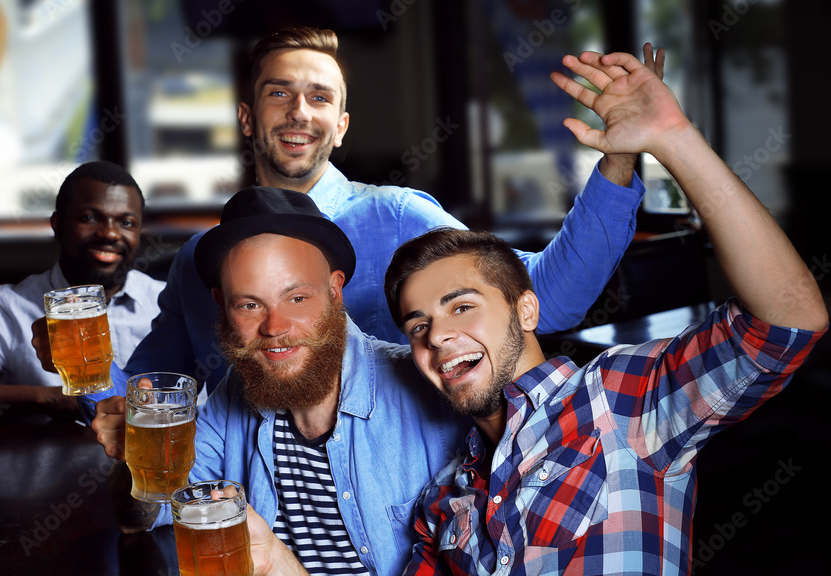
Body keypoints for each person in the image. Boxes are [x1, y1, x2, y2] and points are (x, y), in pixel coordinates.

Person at [241, 48, 828, 576]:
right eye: (418, 325)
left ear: (525, 310)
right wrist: (275, 561)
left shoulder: (619, 403)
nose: (437, 335)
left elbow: (788, 320)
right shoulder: (449, 495)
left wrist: (673, 142)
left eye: (461, 306)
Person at [74, 27, 650, 407]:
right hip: (254, 533)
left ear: (341, 126)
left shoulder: (399, 216)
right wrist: (83, 368)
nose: (300, 111)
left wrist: (619, 158)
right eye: (280, 94)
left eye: (320, 98)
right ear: (248, 119)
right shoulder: (200, 256)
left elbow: (553, 298)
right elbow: (149, 394)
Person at [94, 185, 472, 576]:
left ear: (336, 290)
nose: (274, 327)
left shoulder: (429, 394)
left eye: (296, 297)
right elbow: (139, 517)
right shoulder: (232, 397)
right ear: (221, 306)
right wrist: (134, 459)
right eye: (249, 304)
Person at [0, 161, 166, 424]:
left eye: (126, 222)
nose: (109, 233)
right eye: (90, 218)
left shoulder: (167, 301)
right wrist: (50, 399)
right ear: (57, 224)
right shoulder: (9, 307)